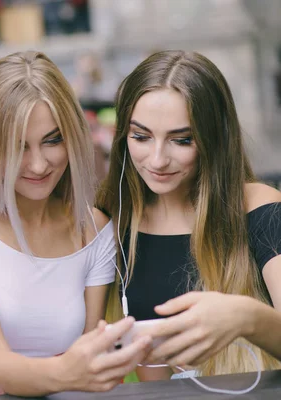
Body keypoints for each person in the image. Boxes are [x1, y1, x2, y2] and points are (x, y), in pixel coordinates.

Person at [0, 51, 152, 399]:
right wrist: (69, 371)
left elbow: (88, 362)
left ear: (74, 138)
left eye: (52, 140)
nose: (37, 164)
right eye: (17, 147)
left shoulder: (93, 231)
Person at [96, 50, 281, 382]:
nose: (157, 160)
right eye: (140, 136)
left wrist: (246, 317)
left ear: (214, 139)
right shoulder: (113, 218)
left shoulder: (260, 209)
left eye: (181, 140)